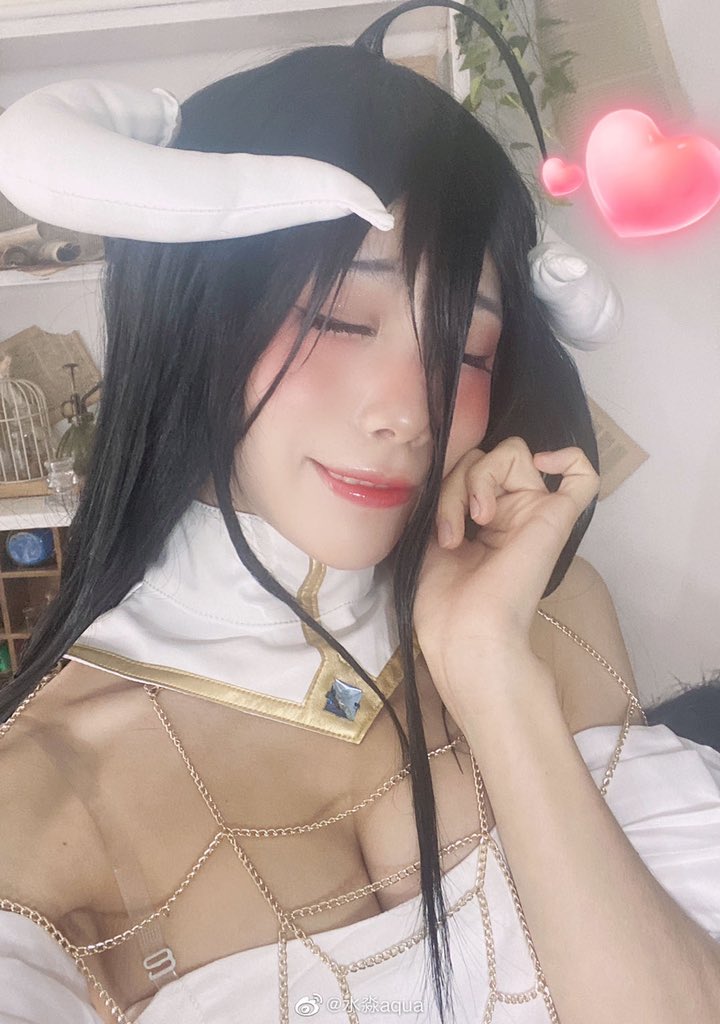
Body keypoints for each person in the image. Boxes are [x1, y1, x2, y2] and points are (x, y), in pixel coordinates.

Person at [0, 4, 719, 1023]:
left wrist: (492, 674)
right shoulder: (39, 803)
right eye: (341, 317)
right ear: (194, 318)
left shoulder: (546, 618)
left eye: (465, 349)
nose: (410, 413)